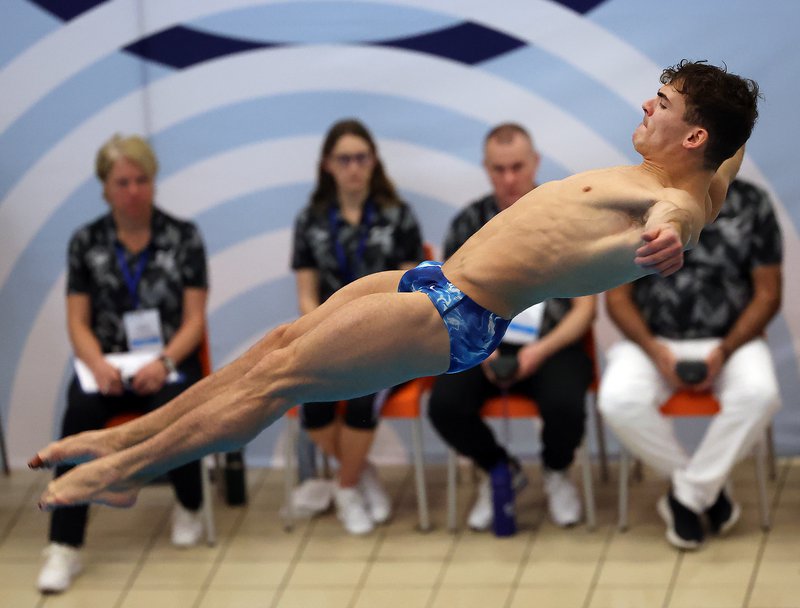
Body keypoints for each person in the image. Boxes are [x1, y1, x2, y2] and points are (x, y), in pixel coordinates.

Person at [30, 60, 761, 518]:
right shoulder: (710, 170)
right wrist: (733, 110)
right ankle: (119, 438)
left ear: (693, 137)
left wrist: (667, 237)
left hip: (460, 314)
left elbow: (679, 216)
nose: (646, 108)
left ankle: (122, 473)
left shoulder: (680, 205)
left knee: (278, 384)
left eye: (661, 102)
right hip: (434, 279)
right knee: (273, 348)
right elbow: (730, 151)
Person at [35, 135, 210, 593]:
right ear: (105, 188)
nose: (133, 190)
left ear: (153, 183)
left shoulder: (184, 236)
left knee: (181, 408)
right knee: (78, 418)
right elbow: (77, 321)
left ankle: (190, 504)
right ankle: (63, 545)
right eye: (122, 182)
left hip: (167, 362)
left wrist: (165, 358)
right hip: (106, 365)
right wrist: (96, 365)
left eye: (141, 180)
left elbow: (195, 320)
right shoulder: (86, 242)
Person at [427, 123, 595, 534]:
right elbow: (450, 303)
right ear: (486, 168)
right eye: (498, 169)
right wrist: (483, 349)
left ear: (535, 163)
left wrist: (542, 350)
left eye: (517, 167)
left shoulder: (568, 217)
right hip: (483, 346)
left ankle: (556, 471)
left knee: (565, 405)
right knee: (444, 405)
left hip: (551, 344)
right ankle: (500, 469)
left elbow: (585, 309)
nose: (508, 178)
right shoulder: (469, 221)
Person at [598, 177, 782, 550]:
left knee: (761, 393)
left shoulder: (753, 202)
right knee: (617, 399)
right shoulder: (639, 201)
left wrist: (726, 350)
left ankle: (687, 496)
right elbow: (617, 298)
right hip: (653, 340)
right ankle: (704, 492)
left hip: (731, 339)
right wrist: (654, 350)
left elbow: (768, 293)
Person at [291, 119, 424, 534]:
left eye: (361, 158)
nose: (353, 167)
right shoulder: (310, 221)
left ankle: (346, 489)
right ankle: (360, 471)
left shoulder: (397, 216)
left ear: (373, 162)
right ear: (327, 165)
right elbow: (306, 296)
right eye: (344, 159)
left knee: (363, 401)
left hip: (388, 340)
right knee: (313, 409)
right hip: (329, 338)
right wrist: (326, 333)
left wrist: (374, 332)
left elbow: (411, 290)